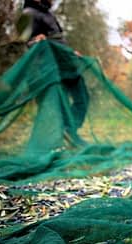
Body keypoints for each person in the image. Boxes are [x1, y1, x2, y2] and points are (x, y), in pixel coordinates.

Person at [23, 0, 89, 145]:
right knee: (57, 106)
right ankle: (56, 139)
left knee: (82, 98)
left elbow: (57, 39)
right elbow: (29, 42)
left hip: (66, 64)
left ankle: (69, 130)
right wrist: (35, 41)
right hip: (53, 69)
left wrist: (71, 51)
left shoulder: (46, 12)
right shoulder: (29, 13)